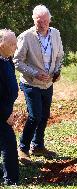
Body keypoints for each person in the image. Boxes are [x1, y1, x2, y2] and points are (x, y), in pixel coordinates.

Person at [13, 5, 64, 164]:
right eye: (39, 21)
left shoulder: (55, 33)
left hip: (48, 84)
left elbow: (60, 56)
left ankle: (38, 146)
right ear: (33, 20)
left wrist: (56, 71)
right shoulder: (25, 36)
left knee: (44, 116)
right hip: (31, 83)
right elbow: (17, 61)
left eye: (45, 21)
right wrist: (35, 73)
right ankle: (23, 148)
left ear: (50, 20)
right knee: (35, 116)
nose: (42, 24)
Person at [0, 29, 19, 185]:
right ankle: (11, 180)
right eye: (12, 43)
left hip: (5, 109)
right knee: (9, 144)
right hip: (1, 112)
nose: (16, 46)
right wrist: (6, 114)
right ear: (1, 44)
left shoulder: (7, 59)